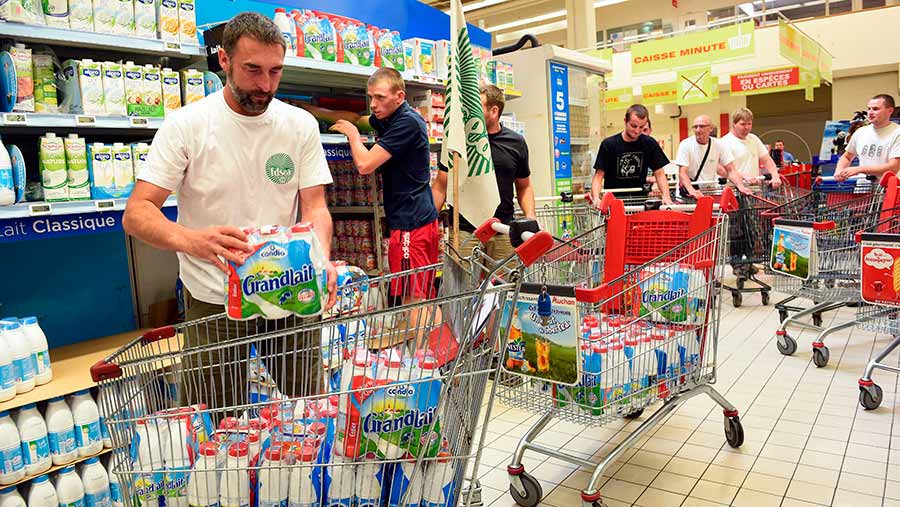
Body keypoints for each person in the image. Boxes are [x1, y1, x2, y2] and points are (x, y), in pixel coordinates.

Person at [122, 12, 337, 408]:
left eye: (275, 72)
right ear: (224, 60)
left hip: (290, 289)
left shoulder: (299, 125)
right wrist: (193, 240)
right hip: (213, 297)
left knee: (311, 408)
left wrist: (321, 257)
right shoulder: (186, 125)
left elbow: (315, 207)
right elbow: (137, 213)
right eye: (252, 69)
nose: (265, 85)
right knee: (215, 421)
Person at [329, 68, 439, 310]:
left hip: (412, 224)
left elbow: (365, 165)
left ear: (399, 96)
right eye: (370, 98)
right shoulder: (392, 118)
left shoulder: (407, 123)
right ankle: (426, 347)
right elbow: (357, 118)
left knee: (414, 301)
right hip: (416, 220)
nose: (373, 104)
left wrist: (353, 137)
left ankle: (423, 349)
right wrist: (313, 112)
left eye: (380, 97)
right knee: (420, 297)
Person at [432, 84, 536, 262]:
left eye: (475, 107)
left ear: (494, 111)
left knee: (505, 286)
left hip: (504, 230)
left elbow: (524, 186)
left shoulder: (516, 143)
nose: (468, 113)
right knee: (464, 288)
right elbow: (441, 185)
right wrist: (428, 223)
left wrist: (531, 219)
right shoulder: (457, 142)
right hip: (464, 231)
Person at [591, 104, 673, 205]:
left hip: (640, 201)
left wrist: (666, 195)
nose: (637, 131)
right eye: (633, 126)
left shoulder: (649, 143)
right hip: (615, 202)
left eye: (641, 127)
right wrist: (596, 197)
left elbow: (659, 174)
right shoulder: (609, 144)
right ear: (625, 121)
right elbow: (598, 176)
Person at [676, 114, 750, 199]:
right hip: (687, 194)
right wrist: (692, 191)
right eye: (695, 127)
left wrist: (740, 186)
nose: (698, 130)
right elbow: (682, 173)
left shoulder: (719, 144)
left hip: (708, 192)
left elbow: (731, 169)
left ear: (710, 128)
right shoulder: (685, 144)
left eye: (702, 126)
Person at [834, 94, 900, 181]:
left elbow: (893, 167)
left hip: (889, 189)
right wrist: (839, 170)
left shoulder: (897, 133)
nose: (870, 112)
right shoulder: (860, 132)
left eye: (875, 109)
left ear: (890, 111)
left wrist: (859, 169)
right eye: (869, 109)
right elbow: (847, 156)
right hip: (864, 188)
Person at [720, 107, 781, 187]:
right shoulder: (724, 142)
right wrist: (742, 176)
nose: (747, 127)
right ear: (734, 124)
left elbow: (766, 159)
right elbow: (722, 169)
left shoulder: (753, 139)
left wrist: (775, 175)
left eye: (749, 124)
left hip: (754, 189)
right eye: (743, 124)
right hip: (733, 191)